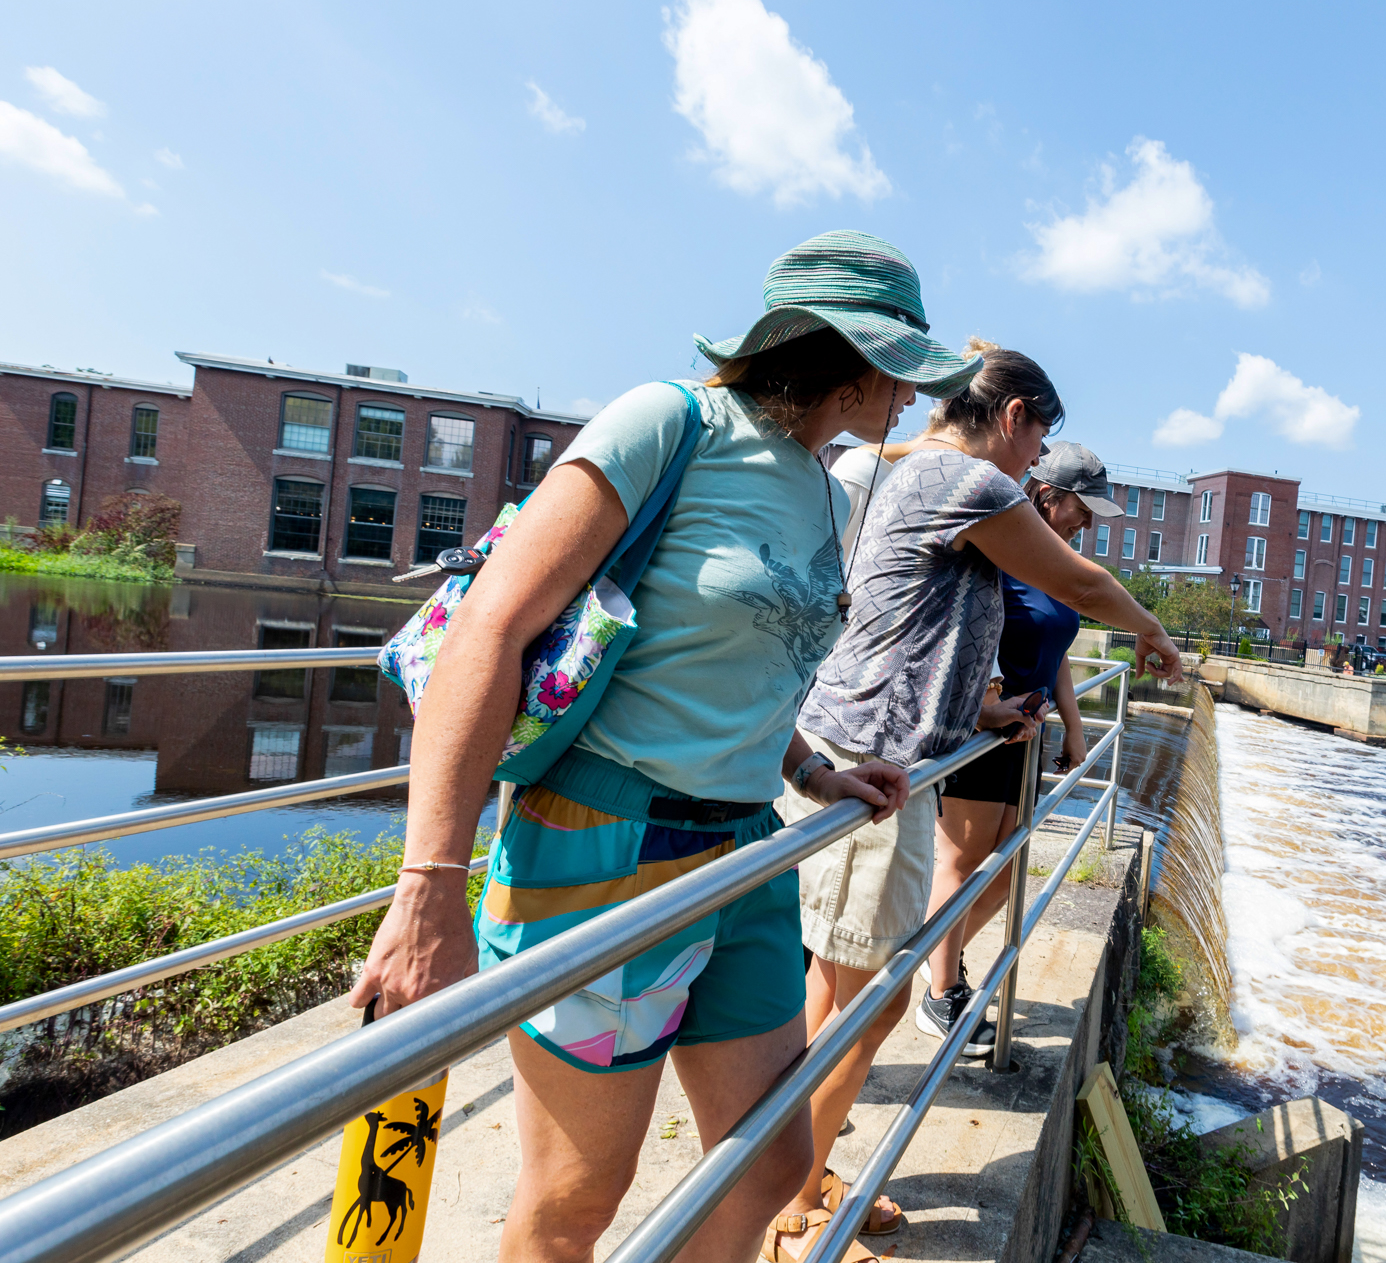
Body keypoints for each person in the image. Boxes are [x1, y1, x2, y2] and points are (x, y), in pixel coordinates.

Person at [347, 230, 979, 1263]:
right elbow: (489, 631)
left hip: (743, 851)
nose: (913, 393)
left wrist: (809, 769)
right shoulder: (668, 422)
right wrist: (428, 888)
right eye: (900, 365)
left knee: (768, 1164)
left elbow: (756, 662)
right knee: (576, 1196)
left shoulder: (825, 488)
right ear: (838, 353)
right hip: (601, 847)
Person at [768, 343, 1182, 1263]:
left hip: (874, 754)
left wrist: (978, 706)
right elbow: (1077, 583)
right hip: (870, 765)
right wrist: (1150, 630)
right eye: (1038, 440)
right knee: (866, 1000)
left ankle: (797, 1174)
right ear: (1013, 415)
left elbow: (917, 615)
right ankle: (788, 1205)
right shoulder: (968, 480)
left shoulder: (921, 472)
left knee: (841, 990)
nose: (1034, 464)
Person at [922, 441, 1123, 1052]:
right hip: (983, 729)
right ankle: (940, 989)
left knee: (1007, 869)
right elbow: (967, 628)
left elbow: (1057, 653)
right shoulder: (1006, 551)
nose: (1088, 522)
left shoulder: (1056, 563)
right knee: (960, 861)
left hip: (1027, 733)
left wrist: (1075, 725)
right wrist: (989, 701)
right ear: (1047, 495)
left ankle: (939, 955)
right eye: (1081, 508)